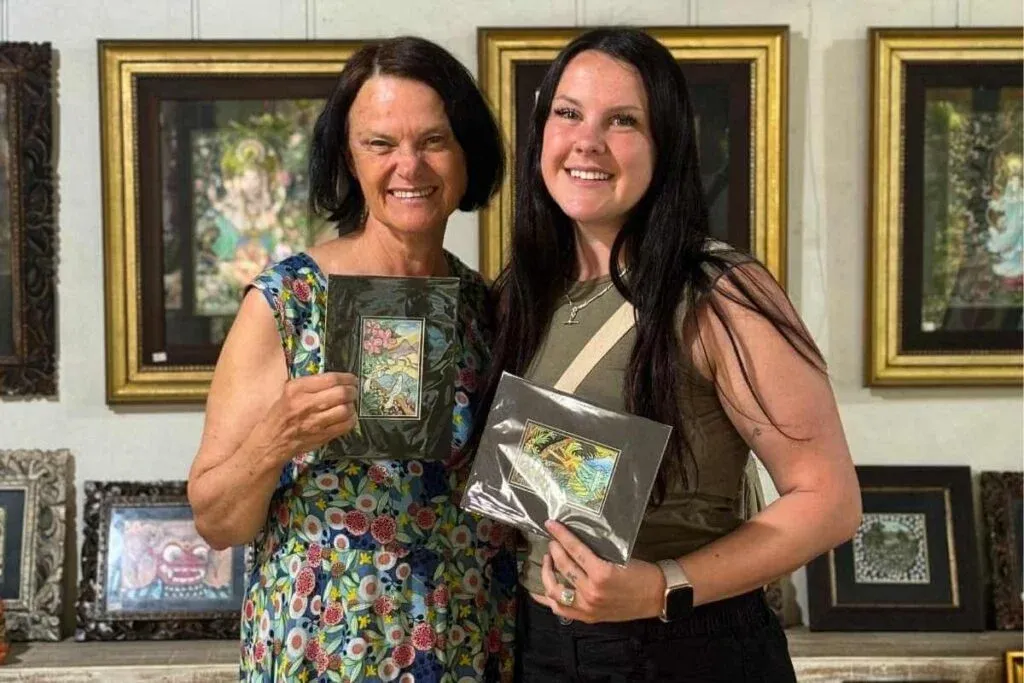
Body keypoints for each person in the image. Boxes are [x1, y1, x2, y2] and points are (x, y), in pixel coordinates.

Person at [479, 27, 862, 681]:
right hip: (542, 646)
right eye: (568, 113)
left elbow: (830, 501)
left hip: (682, 647)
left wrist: (663, 585)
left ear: (667, 145)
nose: (587, 141)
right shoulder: (522, 292)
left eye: (622, 120)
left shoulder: (721, 292)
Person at [187, 36, 518, 683]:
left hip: (467, 645)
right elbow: (216, 521)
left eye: (433, 140)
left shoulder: (489, 310)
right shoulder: (290, 301)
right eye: (380, 143)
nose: (409, 166)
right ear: (348, 156)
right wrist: (277, 437)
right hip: (327, 651)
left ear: (465, 151)